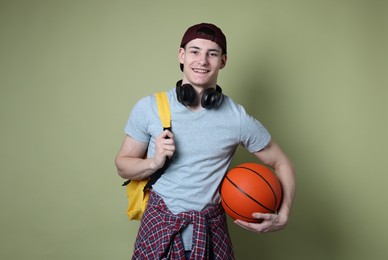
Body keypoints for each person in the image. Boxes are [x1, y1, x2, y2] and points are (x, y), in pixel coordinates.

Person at [115, 23, 295, 259]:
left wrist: (283, 214)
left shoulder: (236, 118)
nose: (202, 61)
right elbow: (122, 165)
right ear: (182, 55)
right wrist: (154, 162)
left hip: (211, 234)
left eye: (212, 53)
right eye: (195, 51)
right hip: (158, 231)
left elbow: (282, 163)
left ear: (223, 61)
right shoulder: (150, 108)